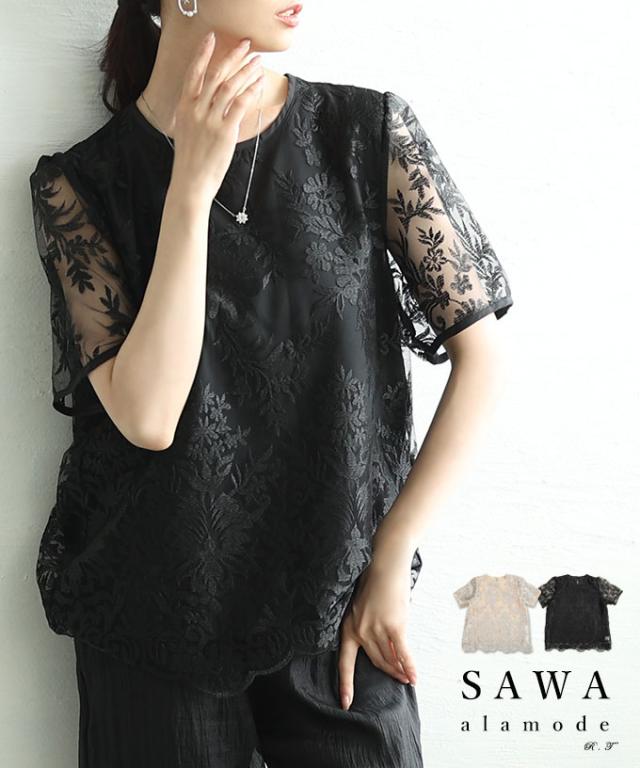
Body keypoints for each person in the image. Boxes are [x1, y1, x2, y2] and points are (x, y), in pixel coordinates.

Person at [28, 0, 513, 766]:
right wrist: (190, 189)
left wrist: (392, 555)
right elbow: (150, 416)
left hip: (338, 609)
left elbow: (483, 359)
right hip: (152, 621)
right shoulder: (78, 185)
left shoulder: (365, 135)